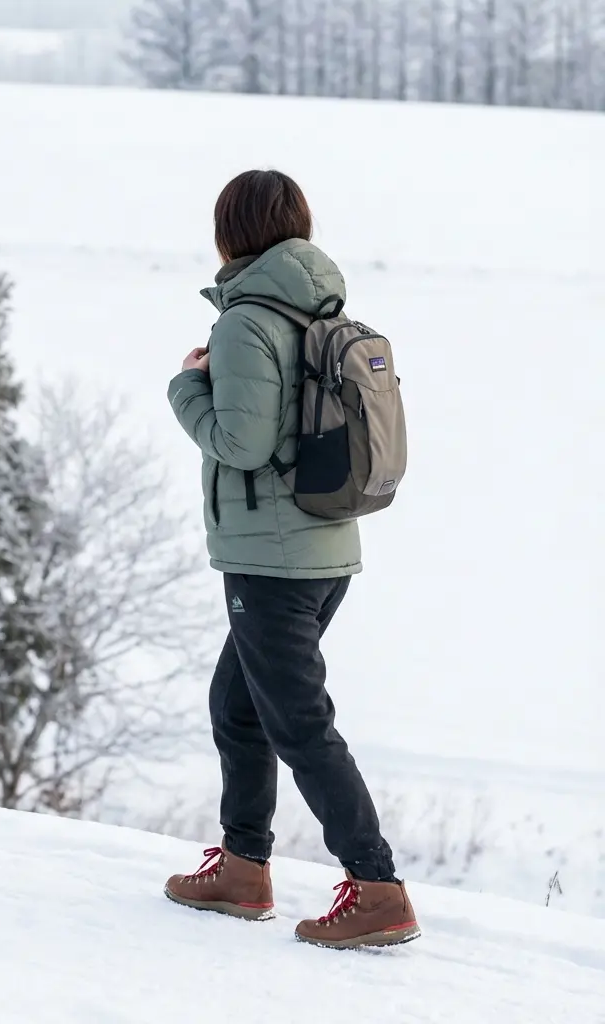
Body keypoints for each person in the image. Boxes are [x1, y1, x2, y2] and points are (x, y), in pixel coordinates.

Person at [163, 169, 420, 950]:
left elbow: (239, 442)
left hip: (271, 557)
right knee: (238, 708)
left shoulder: (247, 321)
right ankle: (243, 868)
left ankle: (377, 887)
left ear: (229, 232)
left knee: (298, 724)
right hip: (325, 546)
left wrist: (186, 386)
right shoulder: (322, 307)